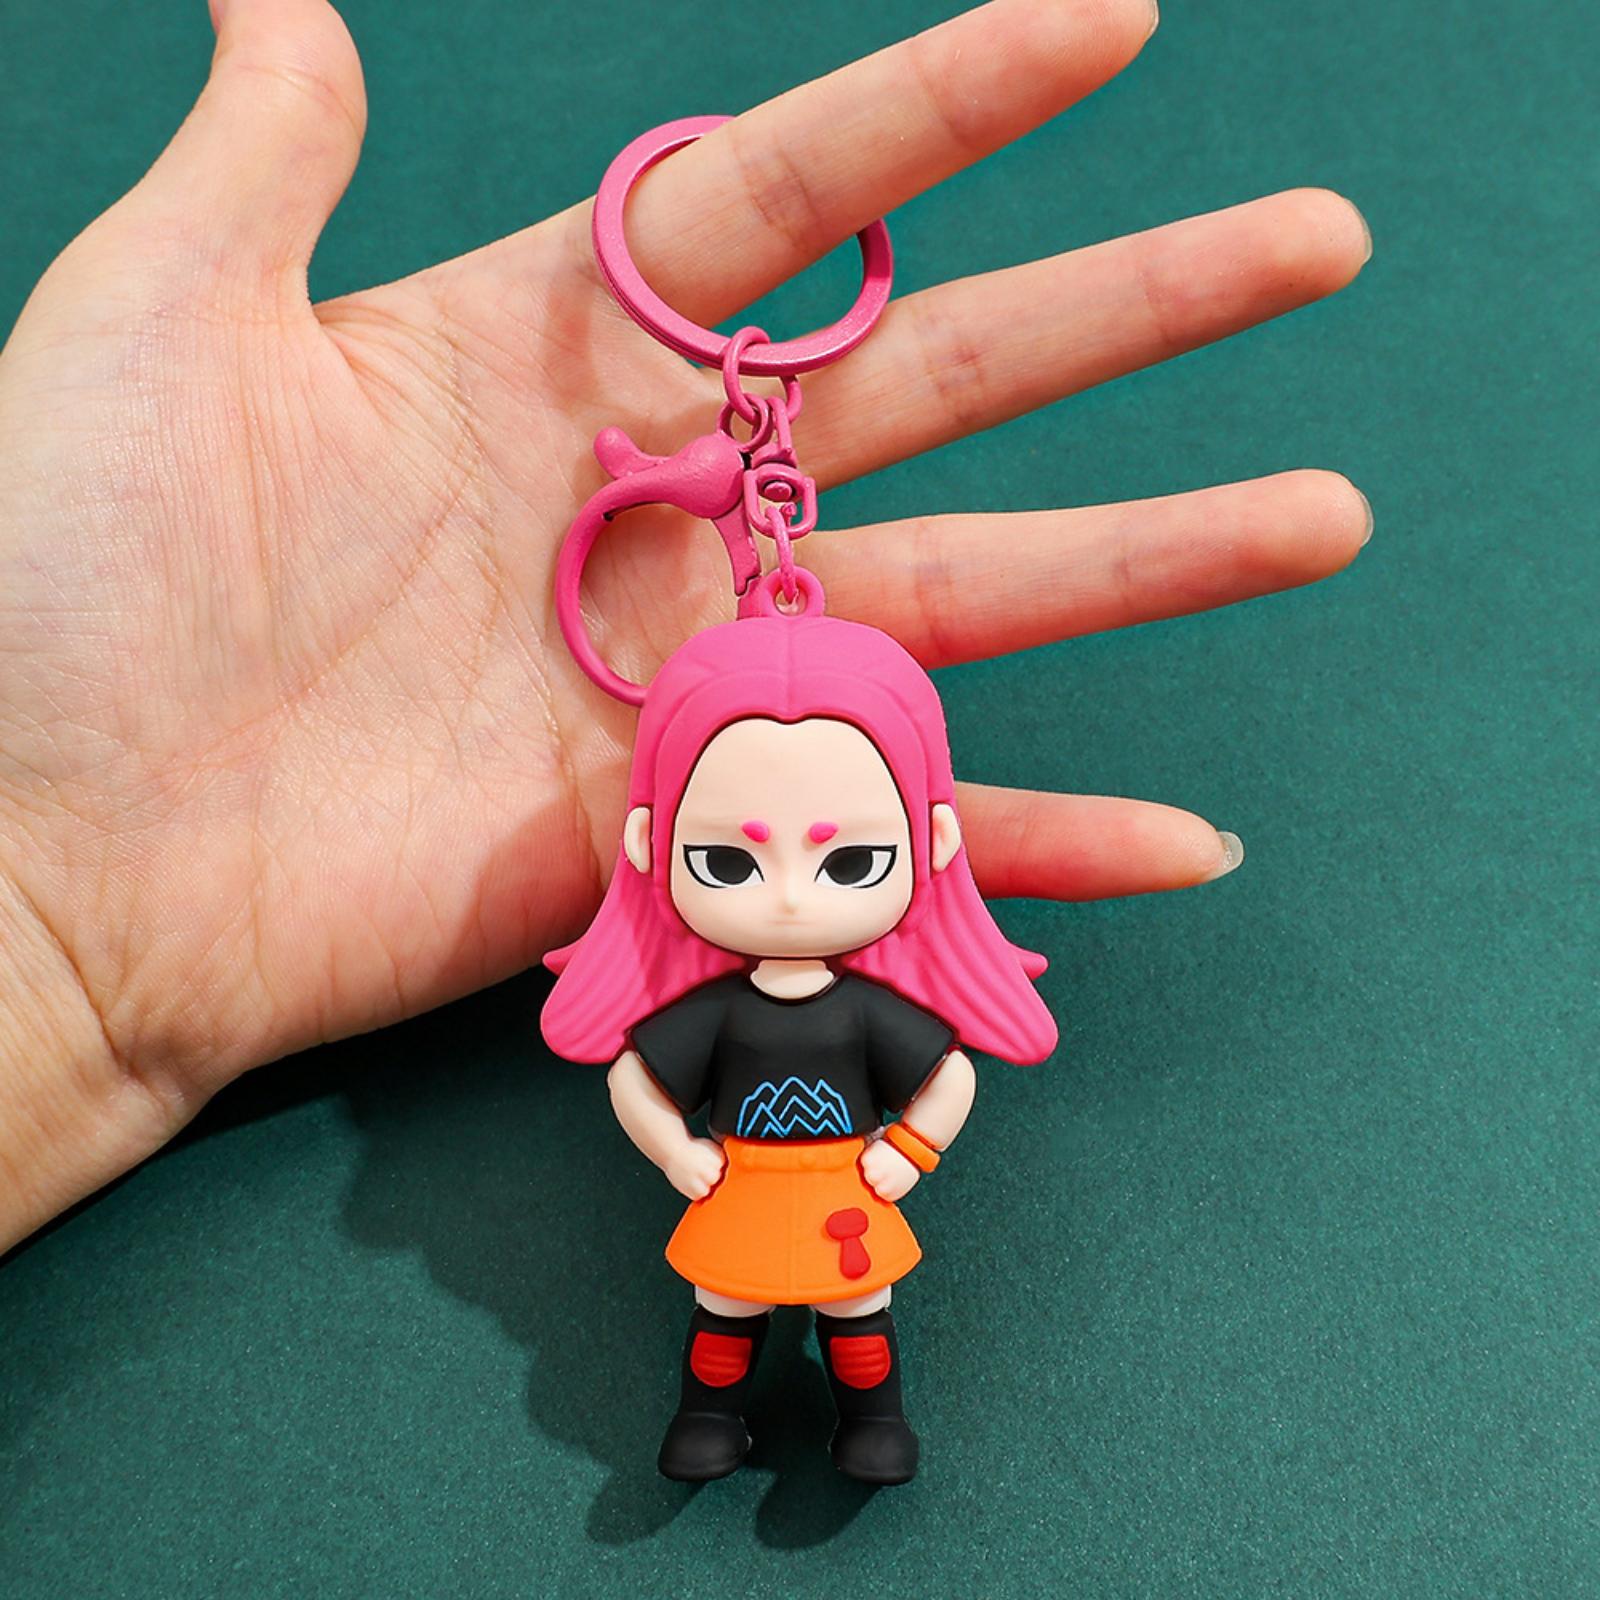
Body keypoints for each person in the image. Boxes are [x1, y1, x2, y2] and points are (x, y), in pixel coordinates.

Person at [0, 0, 1371, 1256]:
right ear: (653, 850)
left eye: (852, 862)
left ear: (935, 845)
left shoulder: (865, 1007)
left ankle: (859, 1400)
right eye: (731, 857)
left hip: (840, 1218)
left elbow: (942, 1083)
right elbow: (655, 1093)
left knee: (850, 1321)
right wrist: (43, 906)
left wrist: (51, 941)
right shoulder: (711, 1006)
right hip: (743, 1216)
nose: (791, 893)